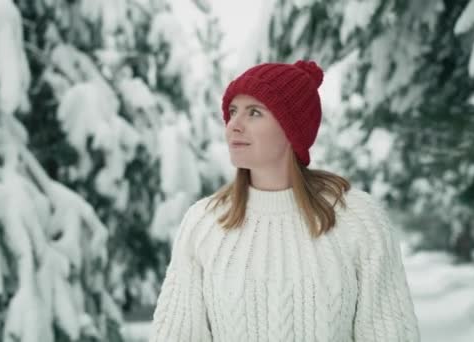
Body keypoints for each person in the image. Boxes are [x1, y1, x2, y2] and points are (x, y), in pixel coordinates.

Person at [149, 60, 421, 341]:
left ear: (293, 130)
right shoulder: (204, 223)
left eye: (254, 112)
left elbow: (391, 333)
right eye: (232, 112)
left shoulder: (357, 219)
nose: (234, 125)